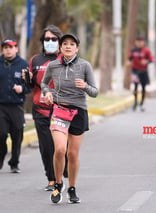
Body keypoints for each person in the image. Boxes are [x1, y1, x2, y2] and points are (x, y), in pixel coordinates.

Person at [41, 33, 98, 204]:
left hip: (78, 112)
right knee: (59, 150)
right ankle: (58, 184)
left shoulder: (85, 66)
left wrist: (85, 86)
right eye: (64, 43)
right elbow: (44, 83)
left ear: (77, 48)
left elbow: (95, 92)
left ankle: (72, 187)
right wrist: (47, 93)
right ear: (60, 47)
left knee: (72, 154)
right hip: (59, 109)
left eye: (72, 44)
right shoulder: (53, 65)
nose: (68, 46)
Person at [25, 25, 65, 191]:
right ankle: (51, 179)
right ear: (42, 42)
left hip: (62, 109)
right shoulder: (35, 60)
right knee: (46, 146)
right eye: (47, 39)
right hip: (40, 109)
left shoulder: (65, 59)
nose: (50, 42)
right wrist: (27, 79)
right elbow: (30, 86)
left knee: (61, 146)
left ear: (59, 42)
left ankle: (64, 169)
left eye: (53, 39)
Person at [0, 39, 32, 173]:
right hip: (0, 105)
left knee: (17, 135)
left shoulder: (24, 65)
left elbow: (30, 86)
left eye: (11, 47)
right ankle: (2, 153)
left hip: (17, 106)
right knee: (0, 134)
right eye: (5, 47)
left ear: (16, 49)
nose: (8, 50)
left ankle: (14, 162)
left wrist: (21, 89)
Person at [127, 36, 154, 112]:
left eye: (141, 41)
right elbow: (130, 58)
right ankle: (135, 103)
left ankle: (142, 104)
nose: (139, 43)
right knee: (135, 88)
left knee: (143, 88)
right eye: (138, 41)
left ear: (143, 42)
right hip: (135, 71)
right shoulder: (133, 50)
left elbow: (152, 59)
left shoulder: (146, 50)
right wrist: (128, 62)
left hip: (143, 72)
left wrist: (146, 62)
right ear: (136, 42)